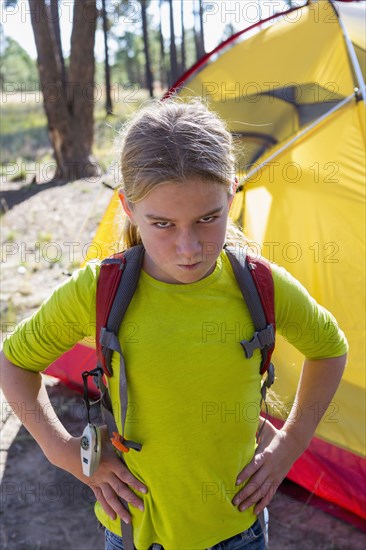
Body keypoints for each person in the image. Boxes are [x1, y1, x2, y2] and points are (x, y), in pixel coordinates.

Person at [0, 98, 348, 550]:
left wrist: (290, 446)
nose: (188, 248)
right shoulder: (99, 289)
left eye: (208, 218)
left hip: (241, 533)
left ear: (232, 194)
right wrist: (64, 452)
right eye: (162, 223)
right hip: (136, 536)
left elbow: (329, 347)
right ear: (127, 207)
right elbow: (14, 362)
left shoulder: (260, 285)